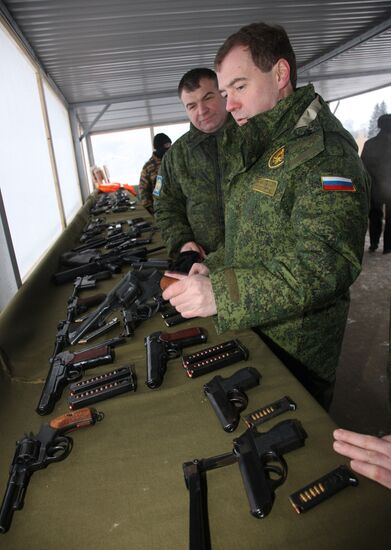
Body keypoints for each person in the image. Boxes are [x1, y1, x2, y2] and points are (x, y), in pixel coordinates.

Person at [163, 22, 370, 410]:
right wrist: (215, 267)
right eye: (225, 93)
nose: (229, 105)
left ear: (280, 74)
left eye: (239, 87)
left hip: (297, 347)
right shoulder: (265, 140)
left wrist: (221, 294)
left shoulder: (324, 151)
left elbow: (326, 264)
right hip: (256, 327)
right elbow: (254, 236)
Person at [153, 68, 233, 257]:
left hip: (258, 265)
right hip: (203, 262)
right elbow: (165, 205)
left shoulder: (253, 138)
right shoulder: (176, 156)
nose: (202, 110)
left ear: (223, 94)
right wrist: (182, 242)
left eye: (208, 98)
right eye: (191, 106)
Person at [361, 114, 391, 254]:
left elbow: (363, 166)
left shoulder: (370, 144)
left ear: (379, 125)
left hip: (374, 187)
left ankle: (373, 244)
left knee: (374, 216)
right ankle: (388, 247)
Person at [138, 133, 172, 215]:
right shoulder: (148, 167)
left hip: (180, 206)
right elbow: (144, 191)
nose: (169, 147)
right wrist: (152, 211)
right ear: (158, 147)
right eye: (166, 145)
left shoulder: (174, 160)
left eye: (170, 144)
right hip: (161, 209)